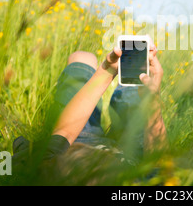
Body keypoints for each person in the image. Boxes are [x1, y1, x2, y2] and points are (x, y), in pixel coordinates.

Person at [11, 43, 167, 182]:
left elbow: (64, 132)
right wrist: (152, 104)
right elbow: (158, 163)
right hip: (131, 156)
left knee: (82, 58)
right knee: (136, 84)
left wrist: (106, 72)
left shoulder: (43, 171)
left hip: (76, 145)